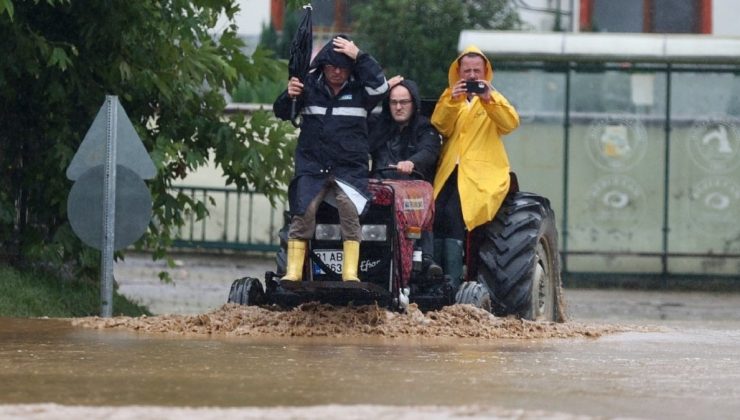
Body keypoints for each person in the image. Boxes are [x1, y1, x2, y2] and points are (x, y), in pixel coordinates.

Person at [273, 35, 388, 282]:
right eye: (331, 67)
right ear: (323, 67)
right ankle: (293, 272)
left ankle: (350, 273)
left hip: (349, 169)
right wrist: (290, 94)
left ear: (351, 69)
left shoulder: (361, 91)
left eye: (343, 67)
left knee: (349, 212)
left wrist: (360, 55)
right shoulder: (308, 88)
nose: (337, 72)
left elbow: (381, 87)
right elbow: (281, 112)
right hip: (312, 167)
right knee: (303, 211)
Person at [430, 45, 520, 286]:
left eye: (476, 71)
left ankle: (454, 279)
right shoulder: (451, 96)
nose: (471, 76)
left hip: (482, 174)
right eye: (466, 70)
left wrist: (489, 100)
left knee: (456, 213)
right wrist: (452, 100)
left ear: (485, 72)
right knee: (435, 212)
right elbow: (440, 125)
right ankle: (433, 275)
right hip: (451, 170)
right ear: (458, 72)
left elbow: (510, 123)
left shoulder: (494, 97)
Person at [369, 76, 443, 280]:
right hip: (378, 191)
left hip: (411, 193)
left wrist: (412, 162)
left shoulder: (426, 128)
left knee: (420, 201)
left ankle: (425, 260)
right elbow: (359, 112)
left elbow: (429, 150)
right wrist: (382, 89)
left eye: (404, 102)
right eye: (393, 102)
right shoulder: (377, 126)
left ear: (414, 103)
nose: (398, 107)